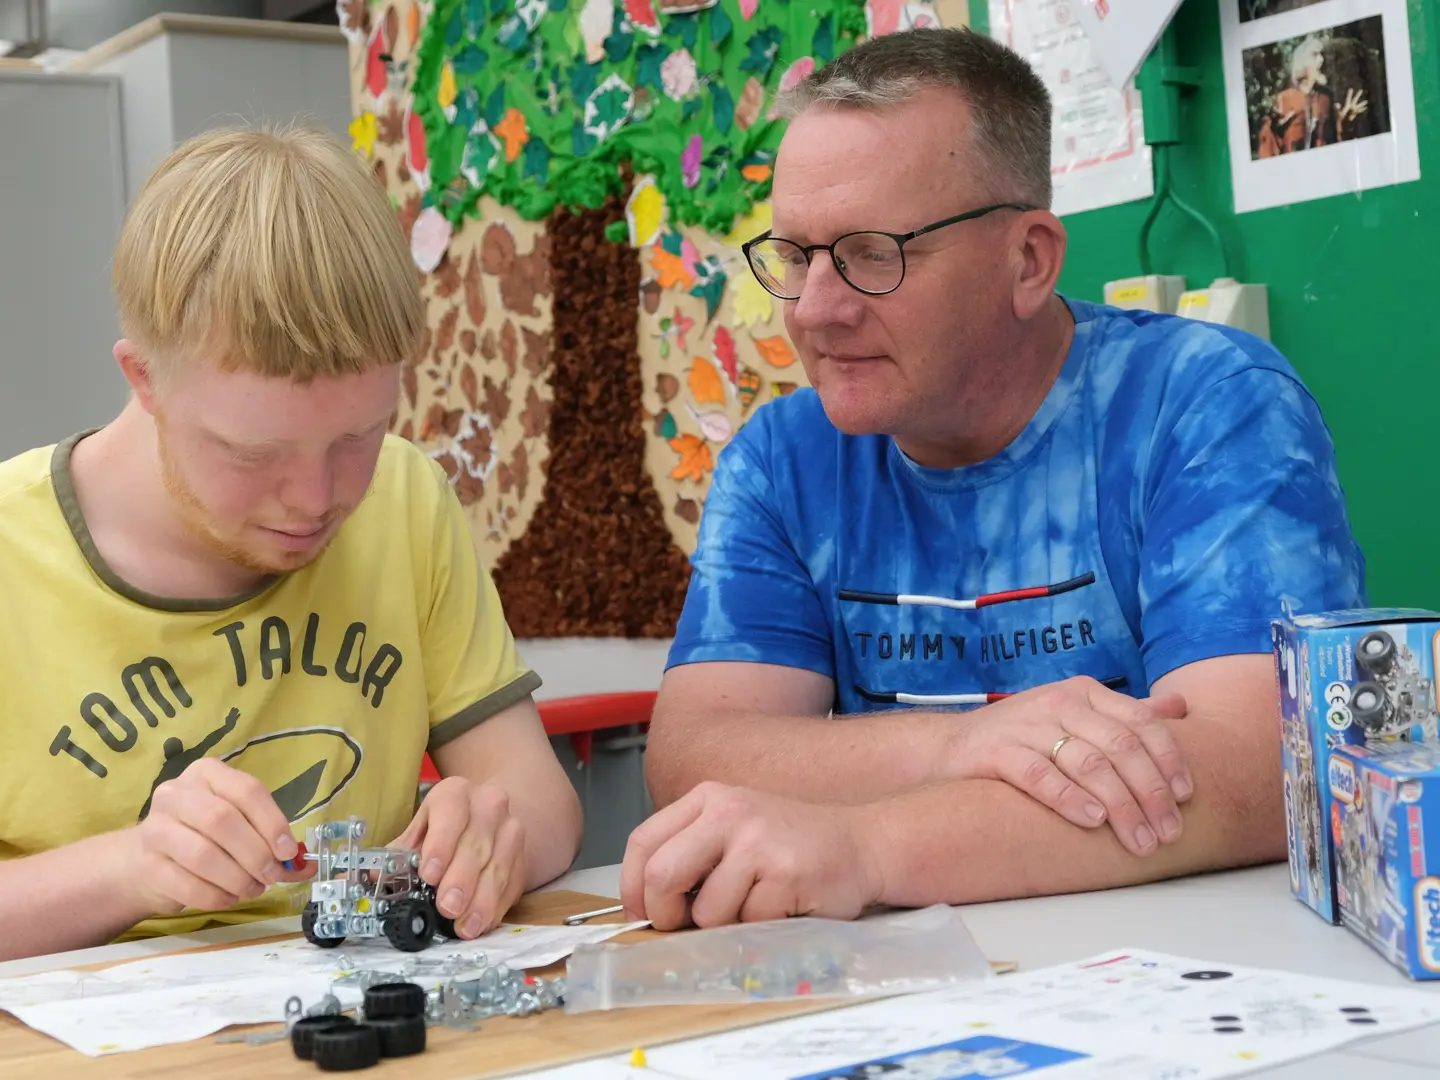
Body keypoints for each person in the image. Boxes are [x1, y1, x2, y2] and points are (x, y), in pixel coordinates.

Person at [621, 27, 1366, 930]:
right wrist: (961, 744)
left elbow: (1259, 762)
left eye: (870, 252)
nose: (815, 310)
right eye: (796, 256)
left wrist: (866, 848)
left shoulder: (1203, 402)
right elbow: (698, 755)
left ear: (1028, 261)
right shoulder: (782, 458)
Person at [0, 125, 582, 961]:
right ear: (144, 379)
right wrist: (130, 870)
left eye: (360, 435)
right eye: (252, 454)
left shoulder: (404, 498)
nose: (317, 500)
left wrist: (499, 827)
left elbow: (539, 800)